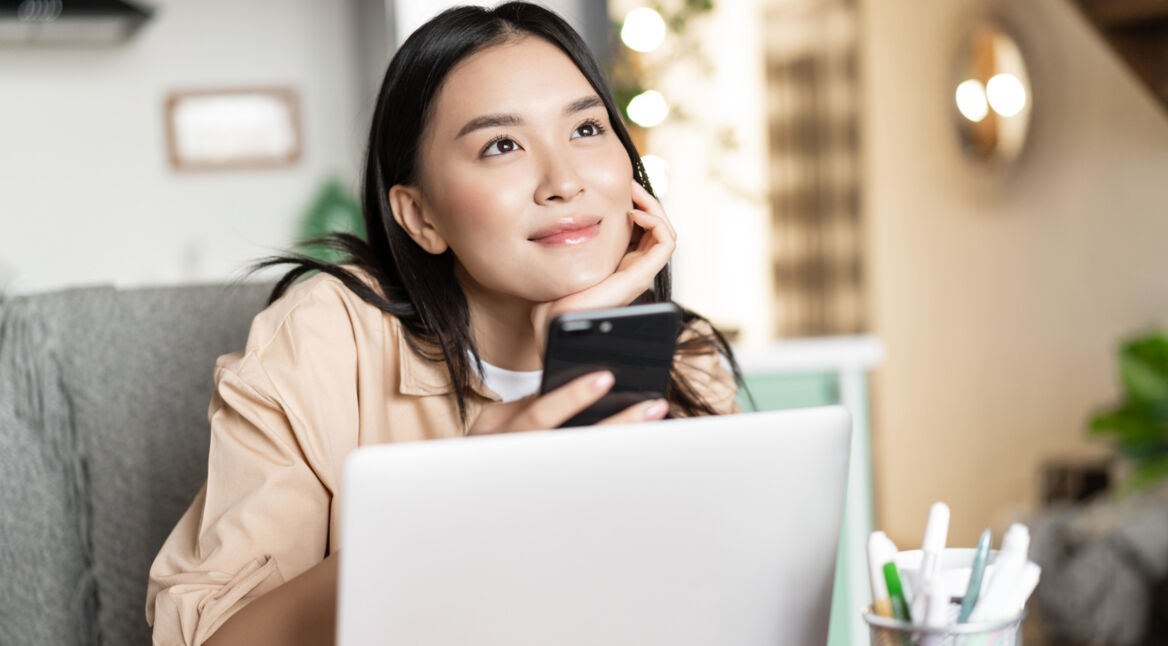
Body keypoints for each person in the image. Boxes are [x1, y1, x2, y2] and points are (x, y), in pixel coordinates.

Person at [145, 3, 745, 645]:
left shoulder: (684, 358)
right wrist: (456, 507)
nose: (565, 181)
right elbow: (215, 639)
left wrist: (588, 357)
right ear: (420, 216)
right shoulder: (325, 339)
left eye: (588, 129)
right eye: (502, 145)